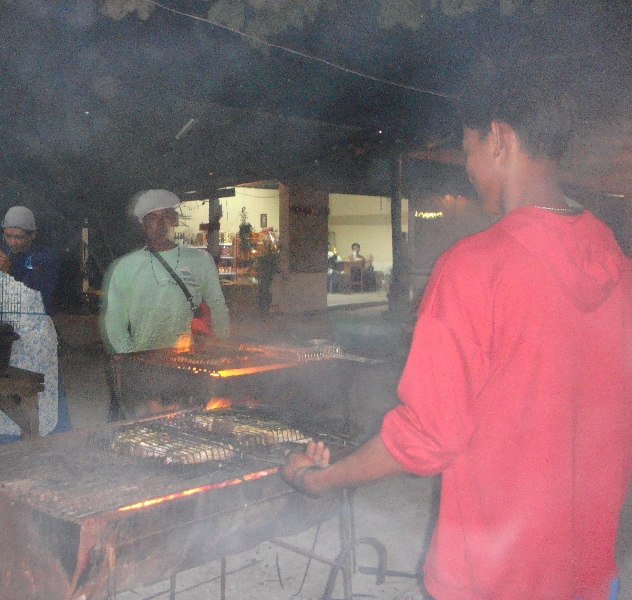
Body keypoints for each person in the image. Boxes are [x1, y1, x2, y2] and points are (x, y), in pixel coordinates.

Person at [282, 70, 632, 600]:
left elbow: (427, 437)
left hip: (492, 580)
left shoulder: (474, 268)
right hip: (590, 578)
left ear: (499, 139)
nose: (466, 167)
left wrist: (317, 479)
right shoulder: (618, 268)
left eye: (468, 149)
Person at [0, 206, 70, 443]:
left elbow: (43, 282)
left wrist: (12, 268)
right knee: (6, 398)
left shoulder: (44, 258)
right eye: (8, 236)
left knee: (44, 398)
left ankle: (56, 447)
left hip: (38, 341)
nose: (13, 242)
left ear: (32, 234)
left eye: (19, 236)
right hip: (7, 341)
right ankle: (9, 450)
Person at [102, 189, 230, 355]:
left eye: (166, 216)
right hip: (145, 361)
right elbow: (115, 321)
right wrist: (132, 357)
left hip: (191, 360)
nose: (160, 224)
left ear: (174, 220)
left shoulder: (200, 260)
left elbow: (217, 306)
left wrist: (221, 348)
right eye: (153, 217)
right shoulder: (126, 267)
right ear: (143, 223)